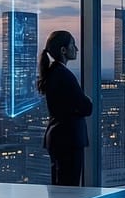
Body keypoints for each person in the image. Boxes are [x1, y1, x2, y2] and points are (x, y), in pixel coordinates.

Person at [36, 30, 92, 186]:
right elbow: (86, 107)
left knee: (59, 188)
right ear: (63, 50)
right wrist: (87, 100)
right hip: (69, 139)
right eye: (73, 45)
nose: (77, 49)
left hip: (58, 137)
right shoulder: (64, 75)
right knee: (69, 188)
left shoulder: (53, 73)